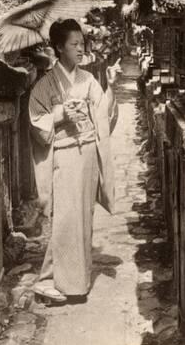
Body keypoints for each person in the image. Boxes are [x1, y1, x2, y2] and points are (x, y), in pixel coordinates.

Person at [28, 19, 121, 303]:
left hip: (88, 154)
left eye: (82, 44)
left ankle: (75, 282)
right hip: (66, 156)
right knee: (66, 219)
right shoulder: (45, 85)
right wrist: (60, 116)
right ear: (59, 47)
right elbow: (36, 121)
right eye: (74, 44)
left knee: (83, 219)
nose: (81, 49)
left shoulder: (87, 79)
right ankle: (49, 280)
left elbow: (104, 114)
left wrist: (110, 87)